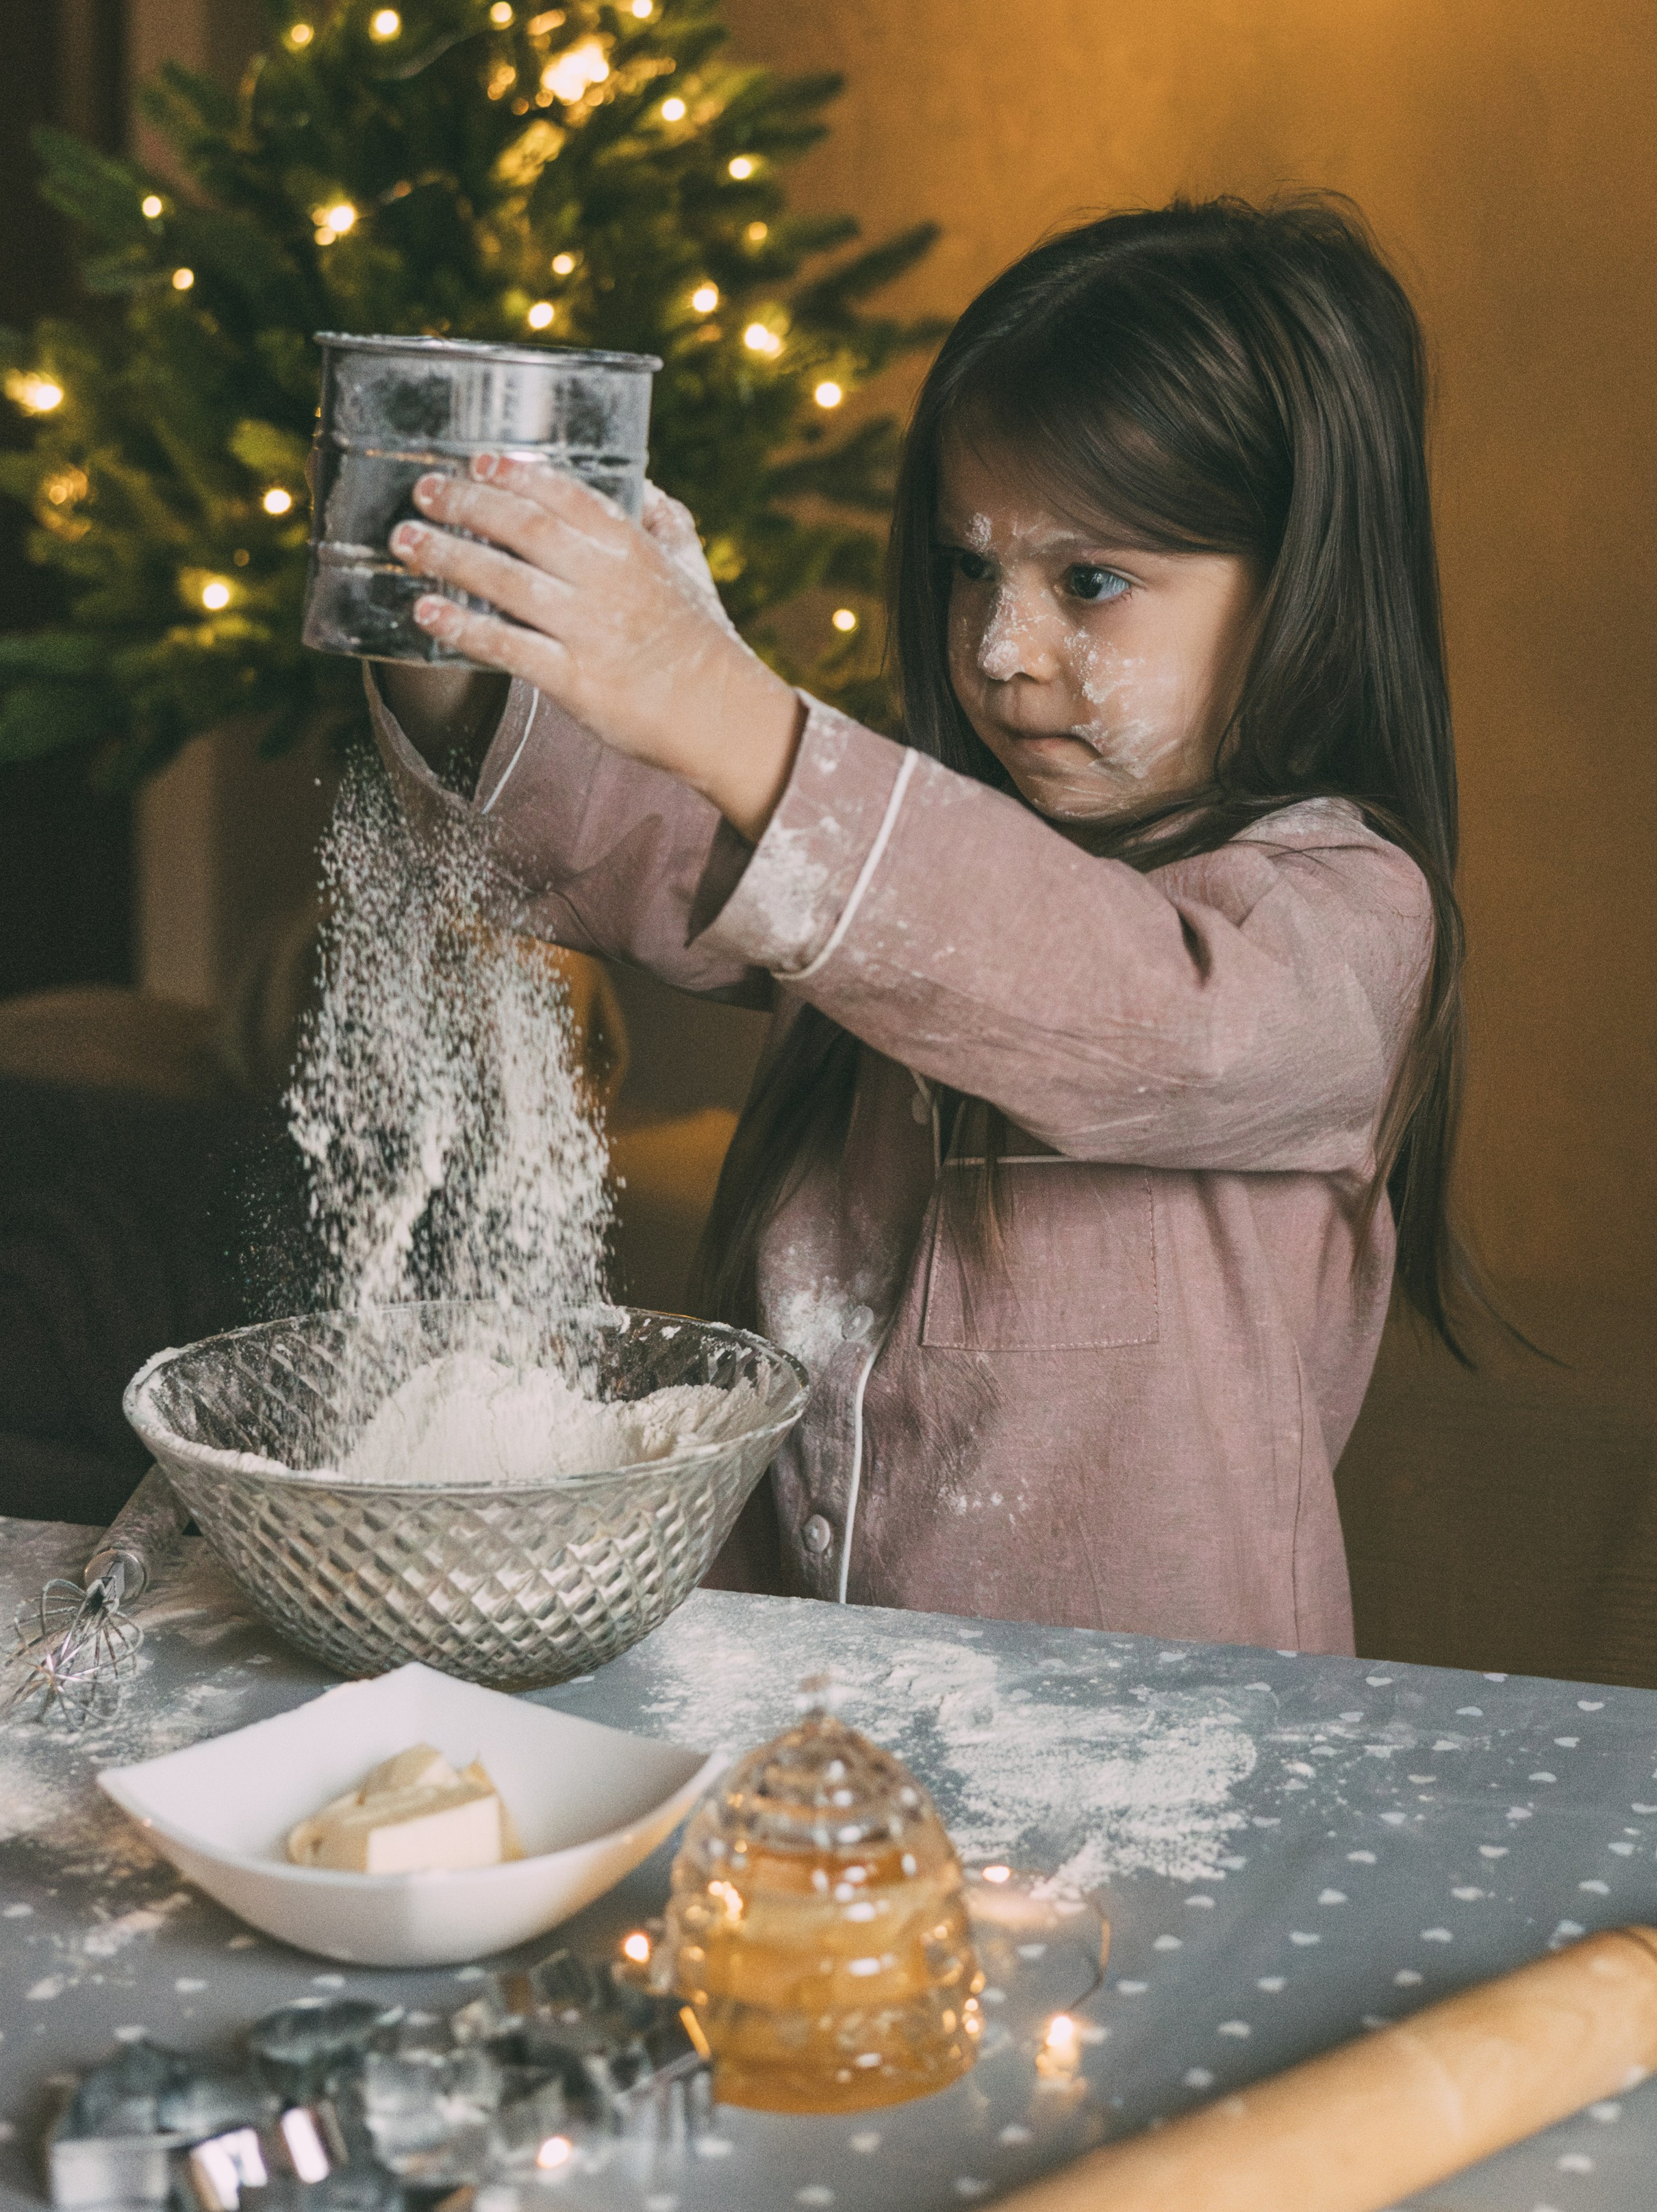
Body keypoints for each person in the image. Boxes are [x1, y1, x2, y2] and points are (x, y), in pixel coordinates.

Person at [371, 195, 1459, 1655]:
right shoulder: (888, 862)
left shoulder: (1337, 918)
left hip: (1162, 1763)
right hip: (807, 1731)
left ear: (1301, 584)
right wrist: (460, 640)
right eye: (969, 569)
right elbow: (637, 848)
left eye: (1089, 580)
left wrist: (723, 703)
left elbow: (1139, 1017)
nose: (1001, 650)